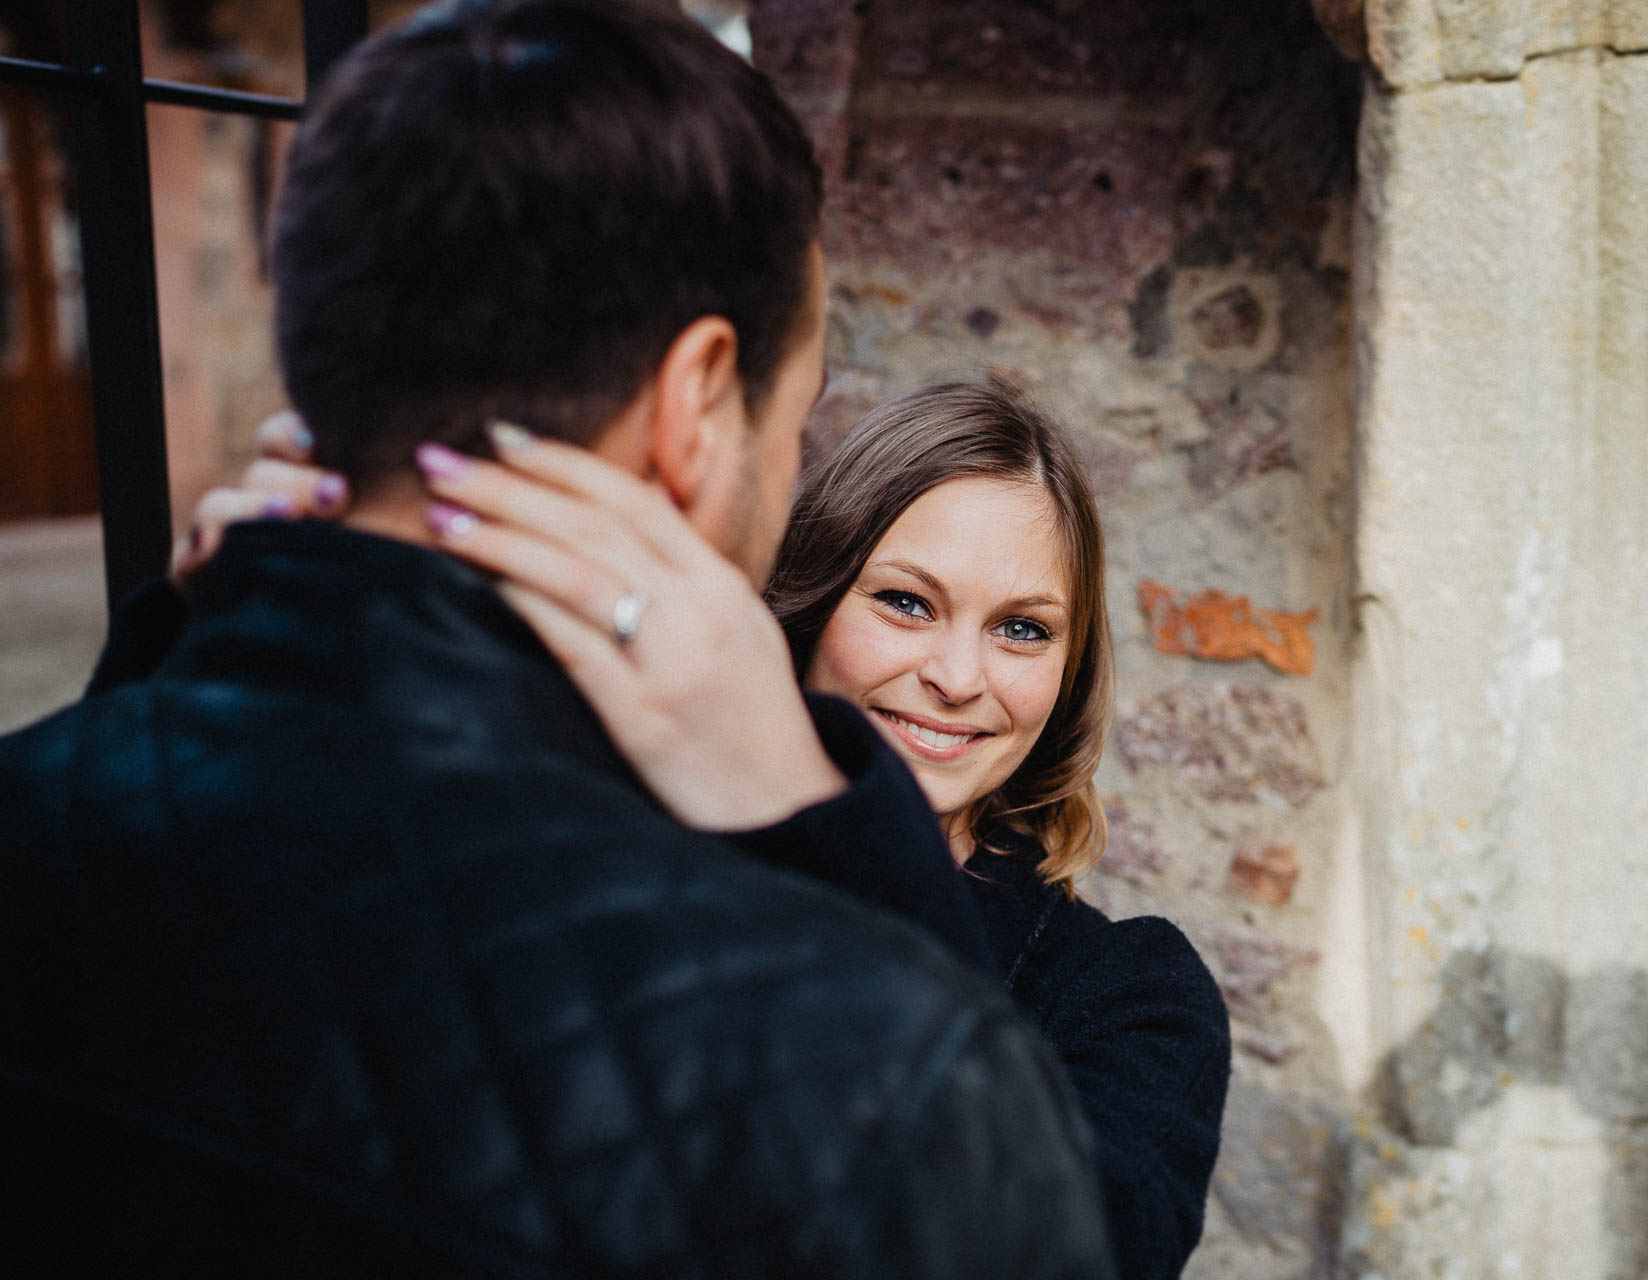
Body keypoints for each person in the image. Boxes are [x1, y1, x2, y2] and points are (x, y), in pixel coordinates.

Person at [0, 2, 1116, 1275]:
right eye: (794, 408)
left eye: (1023, 626)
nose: (959, 670)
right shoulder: (888, 1071)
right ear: (698, 402)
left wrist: (196, 658)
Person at [176, 378, 1233, 1278]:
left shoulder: (1132, 993)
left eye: (1021, 628)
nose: (959, 678)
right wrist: (235, 653)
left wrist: (834, 831)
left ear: (1069, 667)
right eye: (907, 602)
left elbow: (1081, 1250)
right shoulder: (613, 863)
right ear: (810, 605)